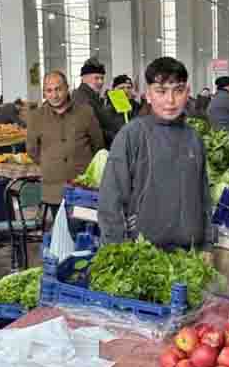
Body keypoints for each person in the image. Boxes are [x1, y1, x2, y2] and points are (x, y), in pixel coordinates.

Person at [98, 57, 211, 250]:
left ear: (188, 93)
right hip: (144, 254)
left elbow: (204, 198)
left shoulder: (194, 138)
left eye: (178, 90)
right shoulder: (131, 135)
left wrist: (207, 244)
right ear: (148, 95)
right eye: (161, 91)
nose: (170, 100)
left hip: (190, 254)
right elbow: (111, 200)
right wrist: (116, 250)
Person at [27, 71, 105, 223]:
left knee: (83, 232)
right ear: (44, 92)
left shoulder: (85, 112)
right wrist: (51, 163)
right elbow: (32, 150)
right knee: (61, 234)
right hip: (54, 189)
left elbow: (98, 145)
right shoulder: (36, 117)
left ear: (67, 88)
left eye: (58, 89)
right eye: (49, 91)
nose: (54, 95)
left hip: (83, 188)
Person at [72, 58, 121, 148]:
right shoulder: (82, 98)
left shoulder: (92, 96)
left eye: (102, 78)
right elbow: (90, 129)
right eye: (96, 78)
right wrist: (117, 137)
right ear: (84, 78)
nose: (100, 82)